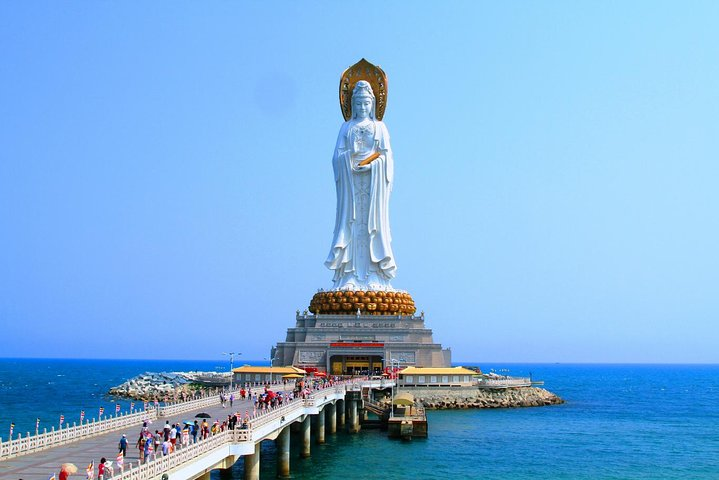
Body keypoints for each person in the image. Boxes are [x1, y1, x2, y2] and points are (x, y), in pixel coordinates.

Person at [325, 80, 396, 290]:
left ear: (372, 104)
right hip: (351, 185)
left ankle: (375, 275)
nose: (362, 108)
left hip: (373, 187)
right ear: (352, 105)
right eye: (358, 104)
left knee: (373, 227)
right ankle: (349, 276)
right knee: (352, 226)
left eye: (365, 104)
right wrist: (349, 159)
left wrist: (375, 165)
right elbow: (336, 158)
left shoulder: (380, 128)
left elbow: (387, 158)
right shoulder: (346, 127)